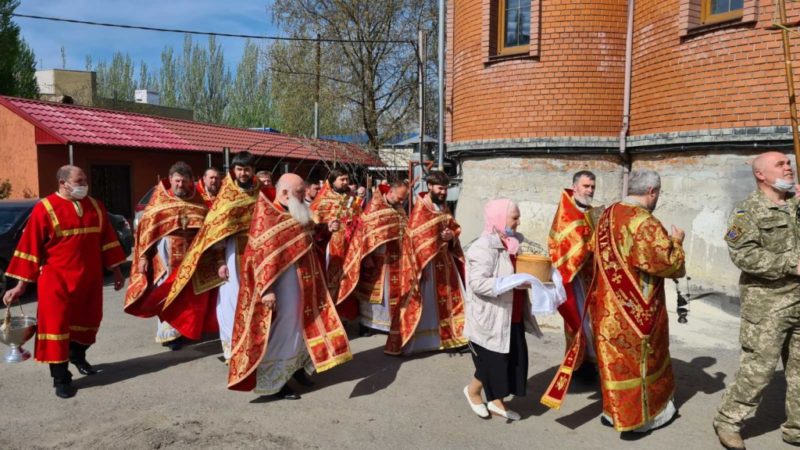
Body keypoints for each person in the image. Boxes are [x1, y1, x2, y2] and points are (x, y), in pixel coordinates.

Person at [542, 169, 686, 434]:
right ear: (652, 192)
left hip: (606, 307)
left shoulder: (606, 214)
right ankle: (639, 421)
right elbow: (665, 264)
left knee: (613, 362)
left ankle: (612, 412)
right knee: (640, 363)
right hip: (637, 309)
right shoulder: (644, 222)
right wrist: (676, 243)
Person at [3, 165, 126, 398]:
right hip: (55, 282)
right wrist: (20, 285)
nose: (84, 184)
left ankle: (77, 355)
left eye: (85, 180)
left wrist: (117, 271)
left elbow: (108, 242)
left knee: (89, 323)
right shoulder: (44, 208)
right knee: (56, 329)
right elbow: (29, 248)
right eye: (79, 181)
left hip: (89, 280)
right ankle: (61, 378)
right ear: (63, 183)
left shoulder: (96, 207)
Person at [228, 173, 352, 399]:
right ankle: (277, 381)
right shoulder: (267, 215)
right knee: (284, 331)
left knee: (303, 327)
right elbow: (258, 257)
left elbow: (308, 235)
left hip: (306, 281)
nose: (304, 196)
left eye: (304, 192)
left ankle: (297, 370)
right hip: (282, 285)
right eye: (299, 193)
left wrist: (325, 228)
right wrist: (266, 290)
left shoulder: (294, 209)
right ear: (284, 193)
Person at [713, 151, 800, 450]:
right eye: (780, 164)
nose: (788, 166)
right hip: (768, 305)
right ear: (760, 175)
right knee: (758, 369)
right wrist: (792, 263)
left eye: (789, 162)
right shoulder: (747, 211)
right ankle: (728, 421)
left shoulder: (795, 205)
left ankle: (796, 428)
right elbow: (744, 255)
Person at [164, 151, 262, 362]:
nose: (243, 173)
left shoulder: (261, 193)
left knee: (257, 299)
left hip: (257, 253)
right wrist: (219, 261)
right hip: (232, 253)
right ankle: (231, 348)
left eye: (247, 169)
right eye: (239, 169)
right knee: (230, 300)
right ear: (233, 171)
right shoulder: (226, 196)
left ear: (252, 171)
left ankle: (254, 342)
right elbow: (215, 232)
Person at [463, 199, 543, 421]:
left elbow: (524, 269)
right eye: (514, 217)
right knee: (493, 363)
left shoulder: (514, 243)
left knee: (511, 360)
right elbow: (478, 283)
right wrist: (510, 282)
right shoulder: (483, 247)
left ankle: (497, 401)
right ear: (498, 218)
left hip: (512, 313)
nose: (518, 222)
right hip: (492, 315)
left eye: (518, 217)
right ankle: (473, 392)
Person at [124, 162, 216, 350]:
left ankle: (185, 328)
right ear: (171, 180)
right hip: (166, 254)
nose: (180, 185)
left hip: (191, 254)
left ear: (191, 181)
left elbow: (208, 227)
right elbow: (146, 232)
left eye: (184, 181)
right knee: (167, 291)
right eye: (177, 181)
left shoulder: (198, 201)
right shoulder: (159, 201)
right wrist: (142, 257)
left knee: (188, 294)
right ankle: (169, 334)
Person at [387, 171, 467, 354]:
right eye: (440, 188)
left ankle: (453, 337)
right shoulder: (420, 209)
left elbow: (453, 228)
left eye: (446, 189)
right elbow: (414, 240)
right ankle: (425, 342)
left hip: (446, 263)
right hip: (427, 265)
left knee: (452, 300)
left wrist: (451, 236)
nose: (443, 192)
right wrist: (436, 242)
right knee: (429, 305)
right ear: (429, 186)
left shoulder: (443, 207)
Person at [338, 181, 416, 339]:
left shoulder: (398, 208)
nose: (402, 202)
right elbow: (364, 235)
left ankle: (388, 323)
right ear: (391, 192)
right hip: (376, 258)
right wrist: (365, 256)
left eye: (404, 199)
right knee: (372, 295)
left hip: (395, 257)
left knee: (389, 295)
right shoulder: (375, 207)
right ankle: (366, 324)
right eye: (400, 198)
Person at [548, 170, 602, 380]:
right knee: (580, 323)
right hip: (575, 279)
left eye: (592, 187)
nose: (590, 190)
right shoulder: (566, 211)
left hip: (592, 277)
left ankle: (592, 364)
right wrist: (590, 245)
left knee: (594, 323)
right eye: (586, 186)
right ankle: (581, 367)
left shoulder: (590, 210)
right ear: (575, 186)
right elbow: (561, 245)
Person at [309, 168, 358, 319]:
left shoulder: (352, 197)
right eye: (341, 180)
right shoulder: (323, 199)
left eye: (347, 179)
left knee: (350, 277)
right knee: (332, 280)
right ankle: (330, 316)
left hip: (351, 245)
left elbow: (359, 217)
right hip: (332, 247)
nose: (345, 183)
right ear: (332, 181)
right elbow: (314, 224)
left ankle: (346, 314)